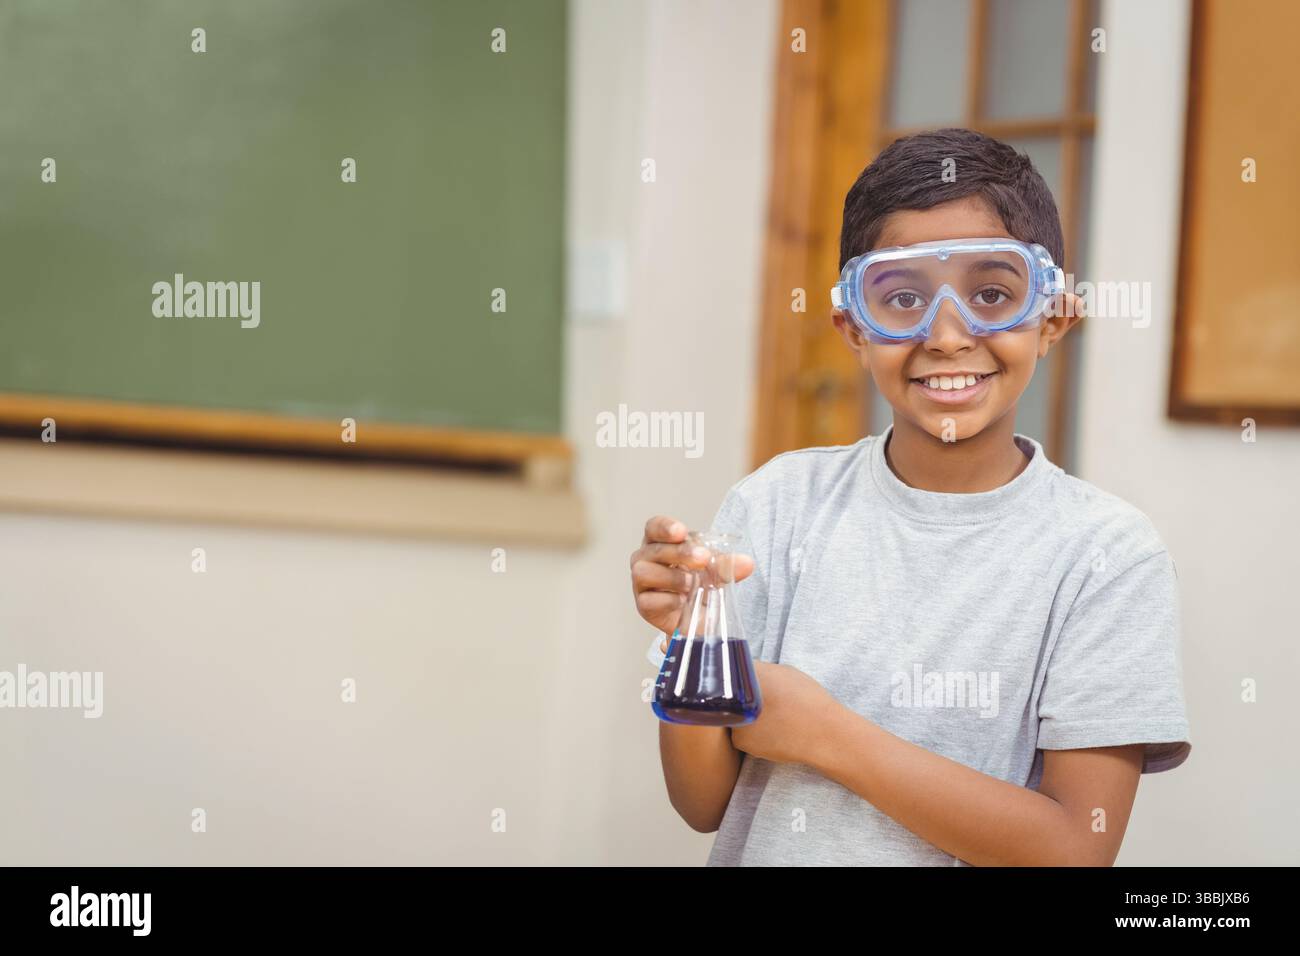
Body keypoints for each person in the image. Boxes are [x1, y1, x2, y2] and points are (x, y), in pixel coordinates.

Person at [629, 128, 1191, 866]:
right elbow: (702, 805)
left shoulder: (1107, 556)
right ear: (853, 327)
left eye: (993, 294)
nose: (948, 336)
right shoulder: (774, 505)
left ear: (1053, 318)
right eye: (902, 299)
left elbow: (1073, 851)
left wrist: (829, 736)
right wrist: (694, 638)